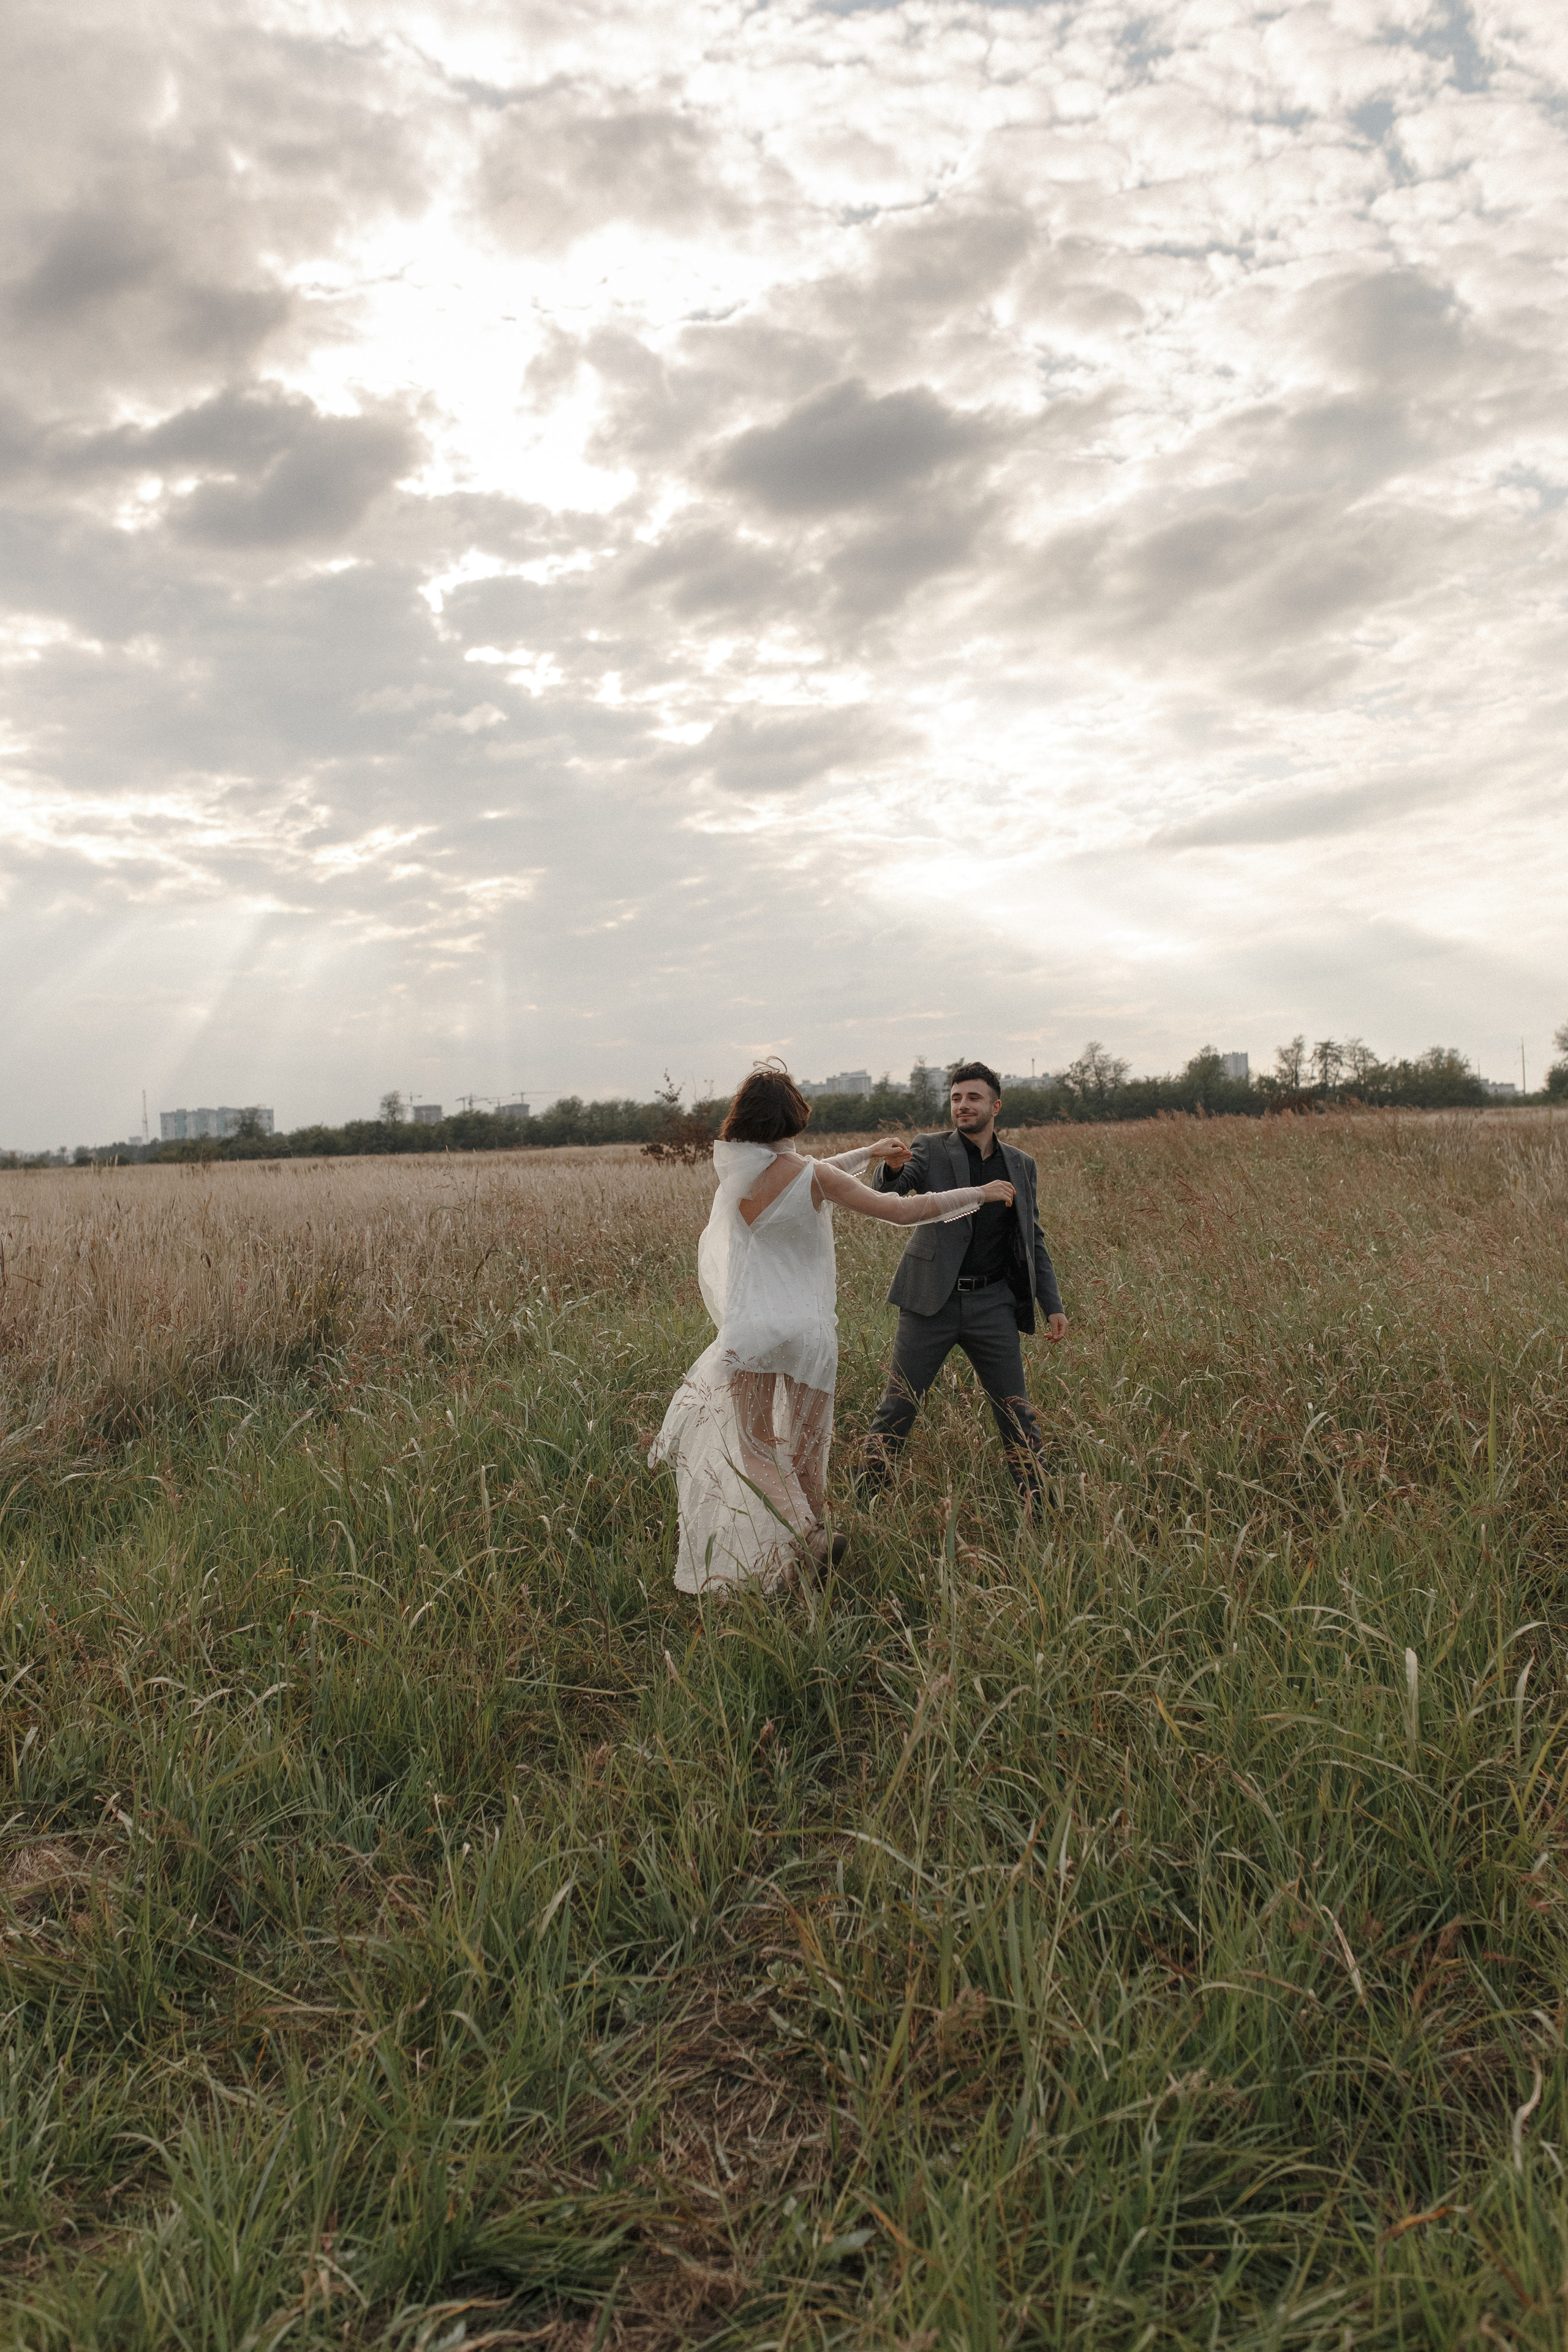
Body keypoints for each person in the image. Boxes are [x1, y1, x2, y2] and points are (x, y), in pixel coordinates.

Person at [650, 1064, 1016, 1596]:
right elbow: (894, 1209)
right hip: (809, 1334)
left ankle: (807, 1540)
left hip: (754, 1329)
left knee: (754, 1448)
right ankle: (807, 1559)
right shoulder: (813, 1175)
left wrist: (868, 1155)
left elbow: (803, 1172)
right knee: (802, 1452)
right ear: (793, 1116)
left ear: (744, 1119)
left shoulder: (738, 1172)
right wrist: (976, 1194)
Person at [859, 1059, 1068, 1503]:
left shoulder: (1022, 1165)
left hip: (993, 1303)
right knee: (897, 1408)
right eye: (956, 1098)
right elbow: (891, 1194)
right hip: (929, 1303)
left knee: (1017, 1413)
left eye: (973, 1098)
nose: (963, 1106)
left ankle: (1045, 1508)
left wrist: (1052, 1303)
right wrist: (894, 1169)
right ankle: (865, 1502)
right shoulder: (931, 1149)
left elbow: (1032, 1237)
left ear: (996, 1106)